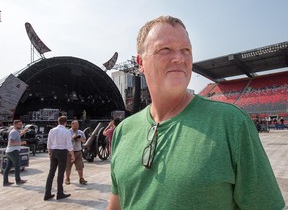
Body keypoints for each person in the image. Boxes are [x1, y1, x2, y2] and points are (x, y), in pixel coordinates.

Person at [107, 16, 285, 209]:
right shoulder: (123, 131)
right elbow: (116, 204)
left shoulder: (232, 123)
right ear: (141, 62)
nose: (179, 58)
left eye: (186, 50)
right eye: (165, 49)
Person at [44, 116, 75, 201]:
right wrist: (72, 154)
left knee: (51, 172)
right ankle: (60, 193)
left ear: (58, 122)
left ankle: (47, 193)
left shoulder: (52, 130)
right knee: (60, 173)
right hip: (62, 152)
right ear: (65, 122)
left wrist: (49, 150)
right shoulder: (66, 131)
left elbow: (49, 141)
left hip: (53, 151)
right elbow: (69, 144)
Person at [3, 120, 28, 186]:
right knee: (17, 165)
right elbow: (11, 142)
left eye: (21, 124)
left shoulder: (15, 131)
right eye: (19, 124)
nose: (21, 126)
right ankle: (18, 180)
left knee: (8, 166)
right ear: (15, 125)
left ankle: (5, 182)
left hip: (10, 151)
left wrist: (23, 132)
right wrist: (22, 143)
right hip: (13, 151)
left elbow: (17, 137)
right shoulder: (14, 132)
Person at [65, 120, 87, 185]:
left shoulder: (80, 132)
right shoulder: (68, 132)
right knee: (68, 166)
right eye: (75, 126)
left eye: (77, 126)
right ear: (72, 125)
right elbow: (66, 141)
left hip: (78, 151)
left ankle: (81, 178)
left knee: (80, 166)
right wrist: (73, 138)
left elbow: (84, 140)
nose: (76, 127)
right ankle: (67, 178)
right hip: (70, 152)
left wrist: (79, 139)